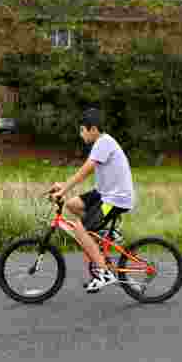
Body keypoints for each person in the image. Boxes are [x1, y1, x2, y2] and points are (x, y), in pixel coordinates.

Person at [49, 108, 135, 293]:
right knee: (72, 204)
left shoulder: (104, 143)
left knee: (80, 229)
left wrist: (63, 189)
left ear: (93, 129)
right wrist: (63, 186)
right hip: (104, 193)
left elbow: (85, 171)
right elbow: (84, 173)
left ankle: (105, 273)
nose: (81, 134)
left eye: (82, 130)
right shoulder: (101, 142)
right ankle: (101, 232)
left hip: (116, 198)